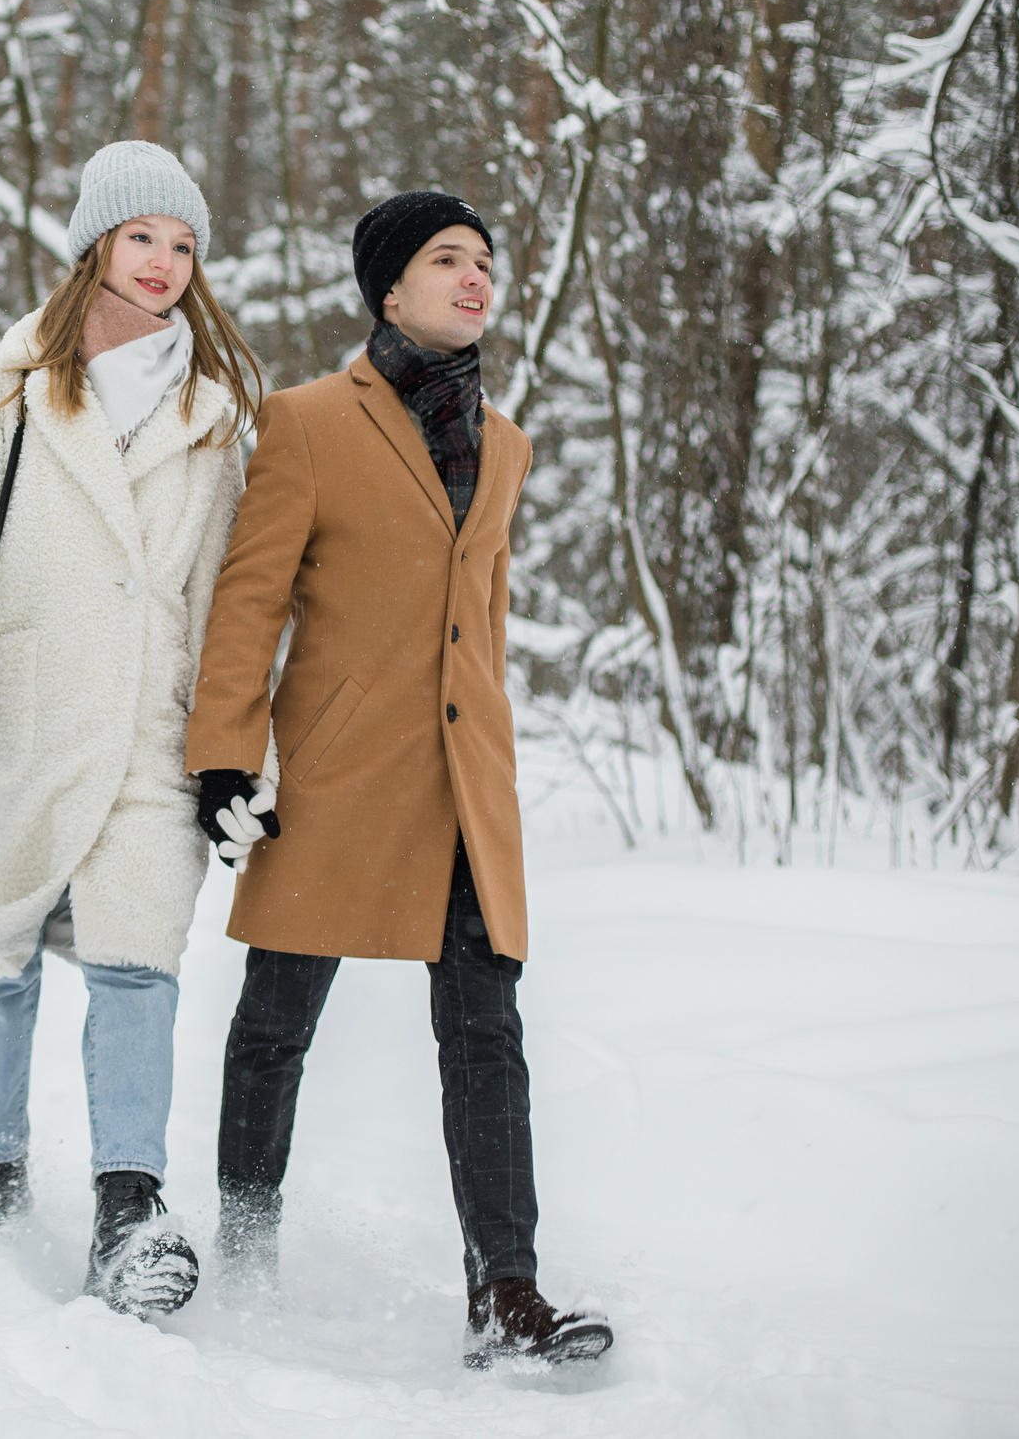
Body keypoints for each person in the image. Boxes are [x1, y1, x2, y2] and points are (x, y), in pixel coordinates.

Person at [183, 190, 614, 1368]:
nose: (476, 277)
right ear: (389, 287)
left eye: (485, 260)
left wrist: (497, 759)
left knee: (487, 1035)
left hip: (463, 787)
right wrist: (225, 747)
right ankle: (247, 1253)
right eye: (446, 259)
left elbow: (484, 620)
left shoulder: (507, 442)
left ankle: (505, 1293)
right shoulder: (311, 421)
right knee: (276, 1026)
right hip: (335, 775)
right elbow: (249, 599)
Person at [0, 141, 263, 1319]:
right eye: (144, 237)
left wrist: (242, 753)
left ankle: (128, 1213)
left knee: (141, 963)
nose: (164, 264)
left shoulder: (212, 418)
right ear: (95, 244)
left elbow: (230, 607)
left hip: (149, 733)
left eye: (184, 246)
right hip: (9, 725)